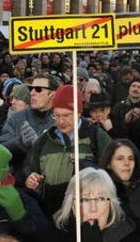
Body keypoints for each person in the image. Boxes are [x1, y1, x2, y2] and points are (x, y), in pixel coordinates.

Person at [25, 84, 112, 215]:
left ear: (78, 113)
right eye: (56, 115)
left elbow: (111, 174)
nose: (60, 121)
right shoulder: (43, 141)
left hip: (86, 213)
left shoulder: (97, 136)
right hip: (50, 212)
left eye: (66, 115)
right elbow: (32, 173)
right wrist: (32, 181)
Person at [42, 168, 140, 242]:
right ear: (72, 204)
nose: (93, 209)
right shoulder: (52, 236)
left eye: (100, 199)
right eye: (84, 199)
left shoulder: (128, 234)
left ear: (111, 203)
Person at [99, 139, 140, 242]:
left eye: (131, 158)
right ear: (108, 163)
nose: (127, 163)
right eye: (120, 159)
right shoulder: (98, 194)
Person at [0, 73, 60, 175]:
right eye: (31, 89)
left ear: (52, 94)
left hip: (52, 183)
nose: (32, 93)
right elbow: (1, 152)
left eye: (38, 89)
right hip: (20, 185)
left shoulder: (61, 120)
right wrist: (20, 143)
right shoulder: (16, 118)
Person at [111, 79, 140, 150]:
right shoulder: (118, 107)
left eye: (139, 87)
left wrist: (138, 121)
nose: (136, 89)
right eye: (133, 86)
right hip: (121, 146)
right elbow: (114, 131)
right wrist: (125, 122)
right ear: (129, 89)